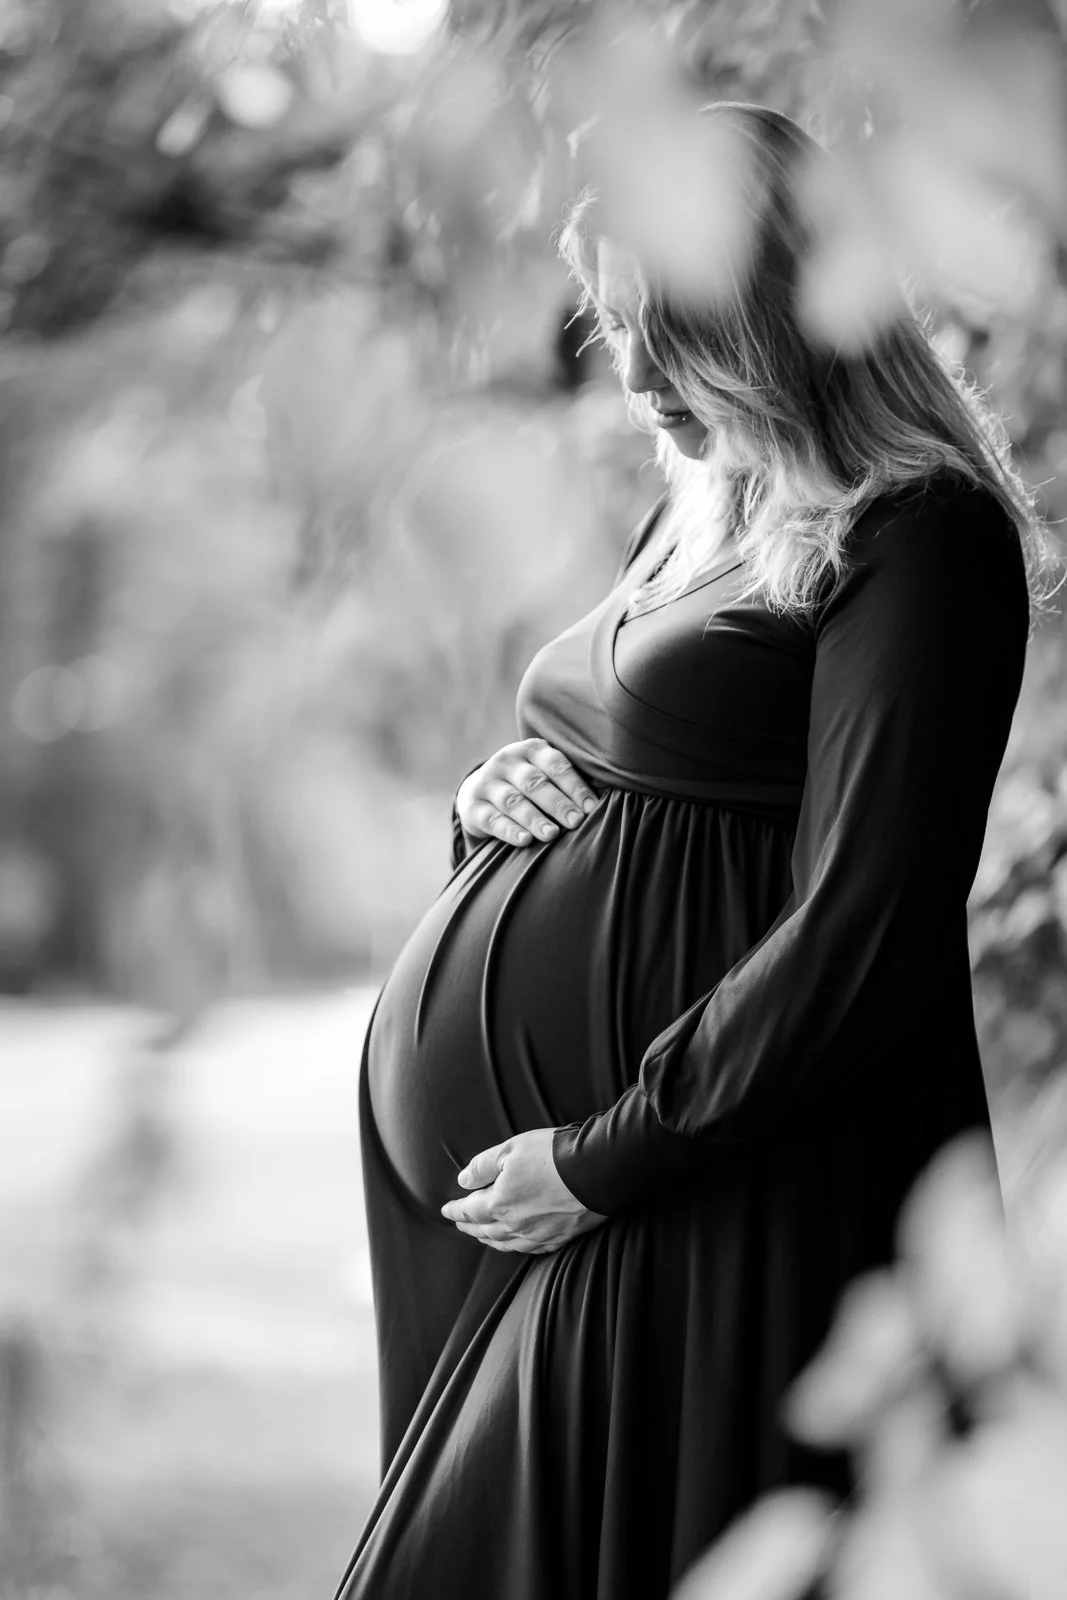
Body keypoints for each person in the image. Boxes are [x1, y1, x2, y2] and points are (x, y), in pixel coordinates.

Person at [331, 102, 1055, 1600]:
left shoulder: (913, 533)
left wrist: (606, 1160)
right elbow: (635, 770)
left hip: (705, 1190)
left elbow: (867, 923)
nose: (636, 369)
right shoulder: (706, 511)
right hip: (596, 1199)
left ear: (777, 308)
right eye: (614, 317)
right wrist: (493, 803)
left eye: (673, 324)